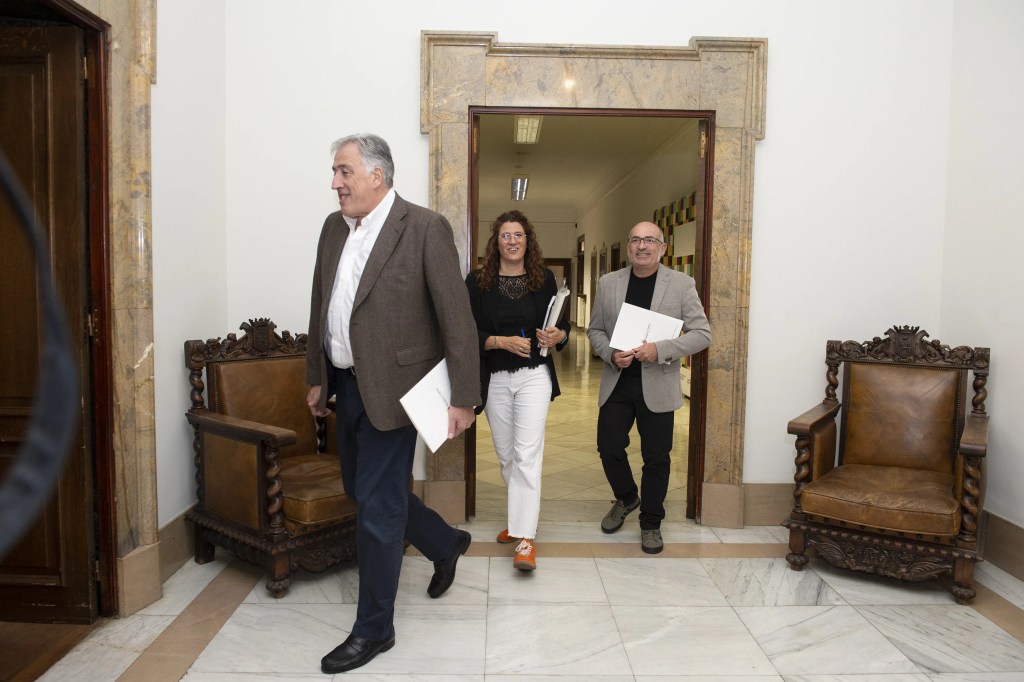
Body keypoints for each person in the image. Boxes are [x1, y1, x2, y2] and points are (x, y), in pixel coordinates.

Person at [306, 133, 481, 674]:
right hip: (346, 386)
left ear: (376, 175)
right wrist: (317, 378)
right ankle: (445, 543)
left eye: (344, 172)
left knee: (378, 512)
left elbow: (456, 319)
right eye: (336, 172)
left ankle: (374, 629)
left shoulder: (424, 227)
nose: (335, 183)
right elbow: (321, 305)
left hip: (398, 393)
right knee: (365, 492)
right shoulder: (334, 228)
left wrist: (464, 397)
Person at [586, 220, 711, 554]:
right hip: (618, 382)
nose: (642, 246)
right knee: (608, 448)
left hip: (658, 384)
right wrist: (610, 354)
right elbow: (595, 330)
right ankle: (627, 497)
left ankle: (651, 523)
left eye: (650, 240)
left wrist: (661, 349)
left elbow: (702, 334)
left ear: (662, 247)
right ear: (629, 246)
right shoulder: (609, 283)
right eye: (636, 240)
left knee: (656, 458)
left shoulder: (681, 284)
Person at [465, 210, 570, 572]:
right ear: (496, 242)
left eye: (519, 235)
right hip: (494, 377)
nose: (512, 241)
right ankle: (518, 517)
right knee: (507, 456)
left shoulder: (544, 279)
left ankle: (525, 538)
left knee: (526, 455)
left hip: (534, 375)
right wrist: (499, 341)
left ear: (528, 240)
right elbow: (465, 331)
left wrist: (557, 335)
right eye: (505, 235)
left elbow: (562, 326)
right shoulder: (477, 281)